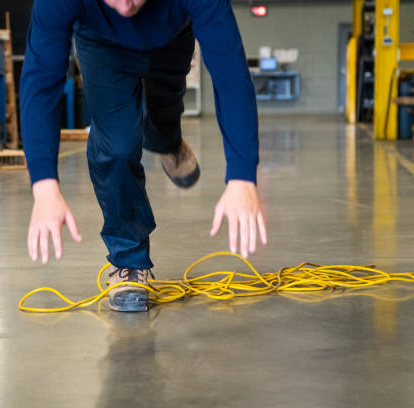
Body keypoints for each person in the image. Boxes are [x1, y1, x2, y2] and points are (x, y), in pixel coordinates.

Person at [20, 0, 267, 312]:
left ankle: (167, 142)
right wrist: (44, 185)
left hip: (170, 39)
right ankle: (130, 262)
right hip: (102, 45)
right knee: (117, 144)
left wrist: (242, 177)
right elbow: (41, 81)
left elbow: (230, 74)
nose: (125, 5)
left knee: (162, 122)